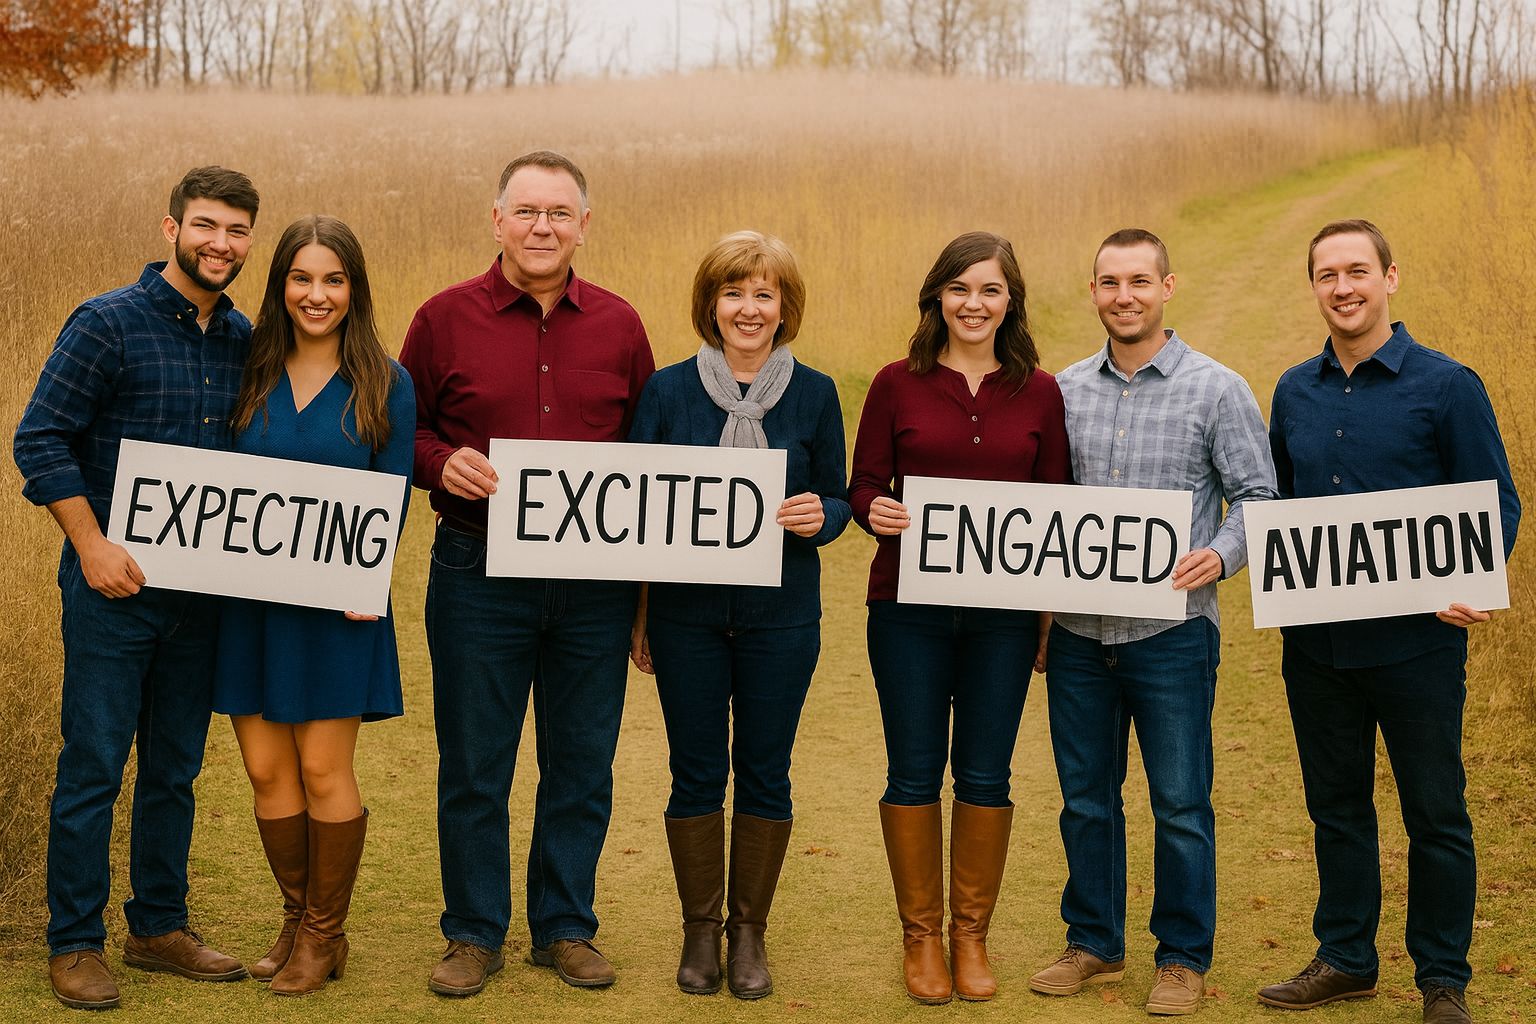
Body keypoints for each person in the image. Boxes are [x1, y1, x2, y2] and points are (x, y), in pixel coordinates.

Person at [399, 150, 655, 997]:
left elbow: (654, 463)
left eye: (559, 213)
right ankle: (473, 932)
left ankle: (565, 927)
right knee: (475, 761)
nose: (542, 228)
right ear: (496, 218)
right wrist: (441, 464)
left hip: (595, 581)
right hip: (476, 569)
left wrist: (647, 599)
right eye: (526, 211)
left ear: (585, 223)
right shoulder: (441, 320)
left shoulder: (621, 326)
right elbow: (402, 433)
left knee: (581, 759)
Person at [1259, 220, 1519, 1024]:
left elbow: (1496, 503)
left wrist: (1469, 578)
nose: (1343, 287)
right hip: (1319, 646)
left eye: (1358, 271)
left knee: (1434, 811)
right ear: (1313, 287)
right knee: (1335, 807)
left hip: (1418, 646)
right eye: (1327, 274)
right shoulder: (1293, 389)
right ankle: (1346, 957)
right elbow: (1285, 504)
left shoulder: (1447, 385)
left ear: (1390, 278)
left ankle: (1442, 980)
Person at [13, 166, 260, 1011]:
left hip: (201, 597)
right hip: (112, 590)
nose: (219, 244)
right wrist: (90, 544)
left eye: (235, 231)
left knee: (176, 769)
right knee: (93, 766)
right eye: (205, 226)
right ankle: (74, 942)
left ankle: (158, 926)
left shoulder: (244, 340)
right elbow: (40, 439)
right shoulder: (107, 324)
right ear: (171, 229)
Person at [1028, 229, 1277, 1016]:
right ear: (1093, 291)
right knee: (1085, 798)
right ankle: (1094, 942)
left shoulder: (1217, 389)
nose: (1123, 295)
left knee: (1179, 801)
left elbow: (1260, 500)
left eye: (1139, 280)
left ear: (1168, 286)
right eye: (1109, 282)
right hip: (1075, 635)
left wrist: (1222, 555)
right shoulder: (1061, 389)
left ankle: (1181, 957)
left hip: (1172, 635)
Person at [626, 231, 851, 1000]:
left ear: (784, 306)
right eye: (733, 293)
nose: (748, 308)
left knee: (765, 768)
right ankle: (700, 930)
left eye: (764, 293)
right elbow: (638, 510)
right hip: (686, 616)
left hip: (782, 616)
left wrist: (822, 513)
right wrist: (641, 615)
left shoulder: (816, 392)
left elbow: (841, 496)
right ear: (710, 304)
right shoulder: (666, 391)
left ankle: (749, 932)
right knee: (694, 770)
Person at [849, 231, 1071, 1005]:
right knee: (912, 770)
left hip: (1003, 620)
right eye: (961, 289)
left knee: (985, 772)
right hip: (906, 610)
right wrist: (873, 509)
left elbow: (1056, 509)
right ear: (937, 296)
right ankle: (921, 940)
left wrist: (1045, 617)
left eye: (991, 290)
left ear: (1010, 302)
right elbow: (864, 483)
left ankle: (971, 936)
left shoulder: (1040, 391)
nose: (974, 304)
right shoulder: (894, 383)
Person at [212, 215, 414, 996]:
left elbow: (391, 496)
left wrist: (367, 577)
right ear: (280, 285)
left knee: (324, 767)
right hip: (252, 606)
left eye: (333, 279)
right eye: (302, 278)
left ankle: (325, 935)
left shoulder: (386, 382)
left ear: (354, 288)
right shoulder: (246, 369)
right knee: (267, 771)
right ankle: (298, 921)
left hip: (337, 607)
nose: (316, 294)